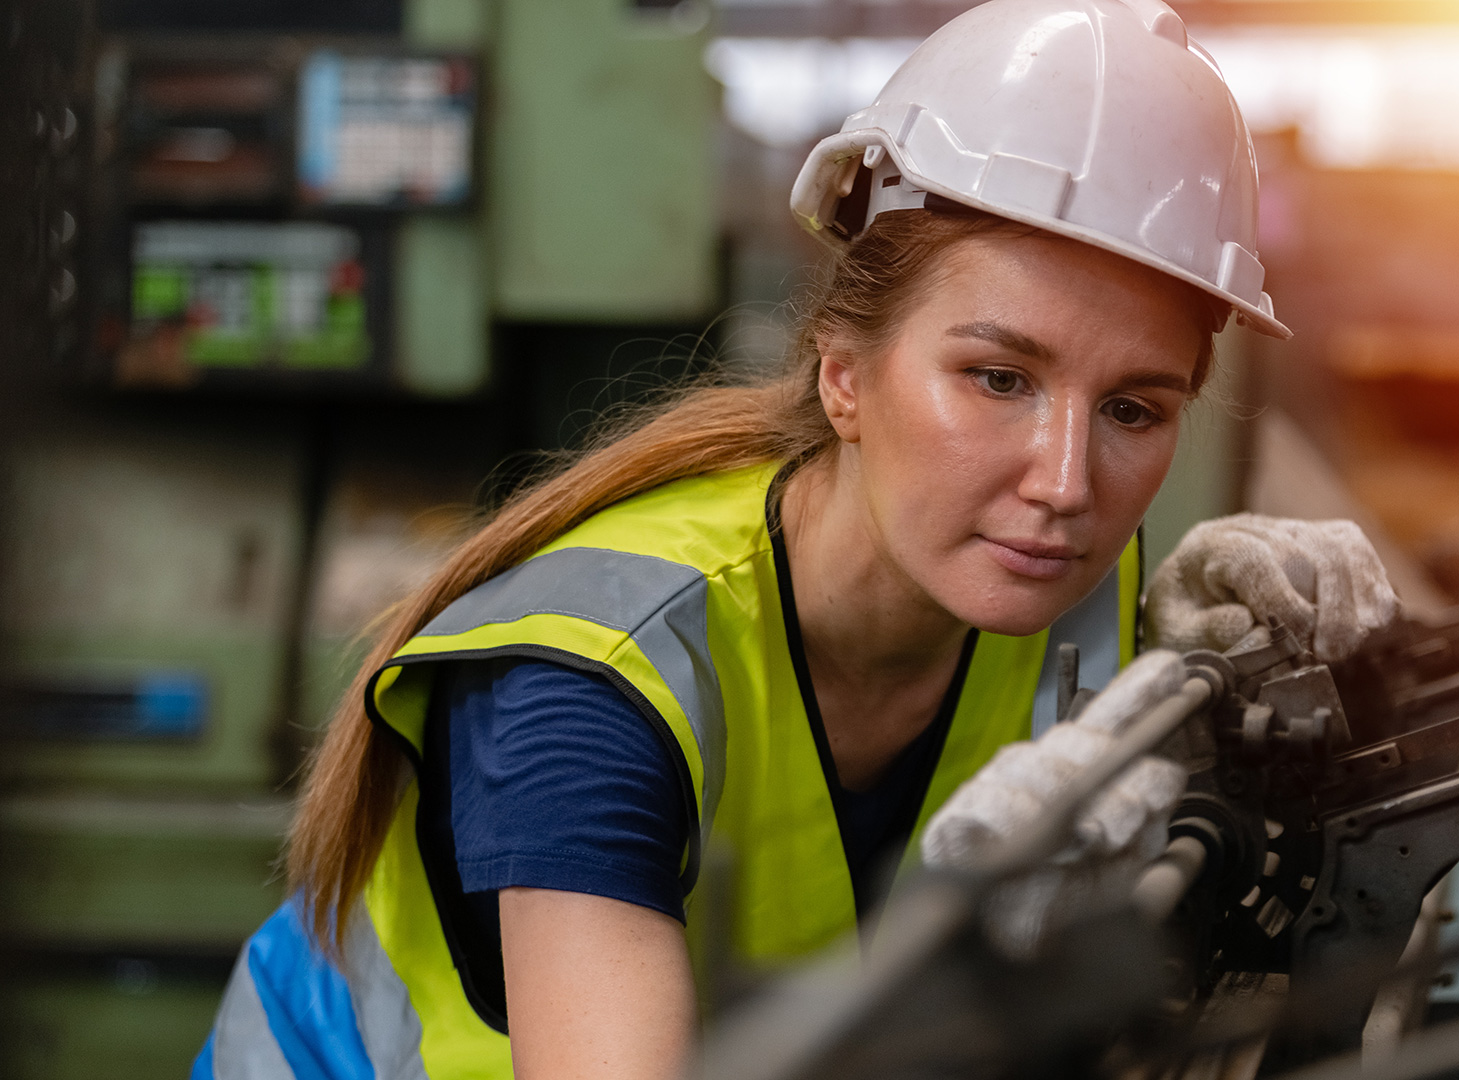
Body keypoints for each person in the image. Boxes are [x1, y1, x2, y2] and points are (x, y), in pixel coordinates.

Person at [193, 0, 1397, 1075]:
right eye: (995, 378)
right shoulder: (590, 694)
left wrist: (1192, 678)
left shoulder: (1051, 588)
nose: (1067, 483)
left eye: (1134, 408)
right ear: (844, 378)